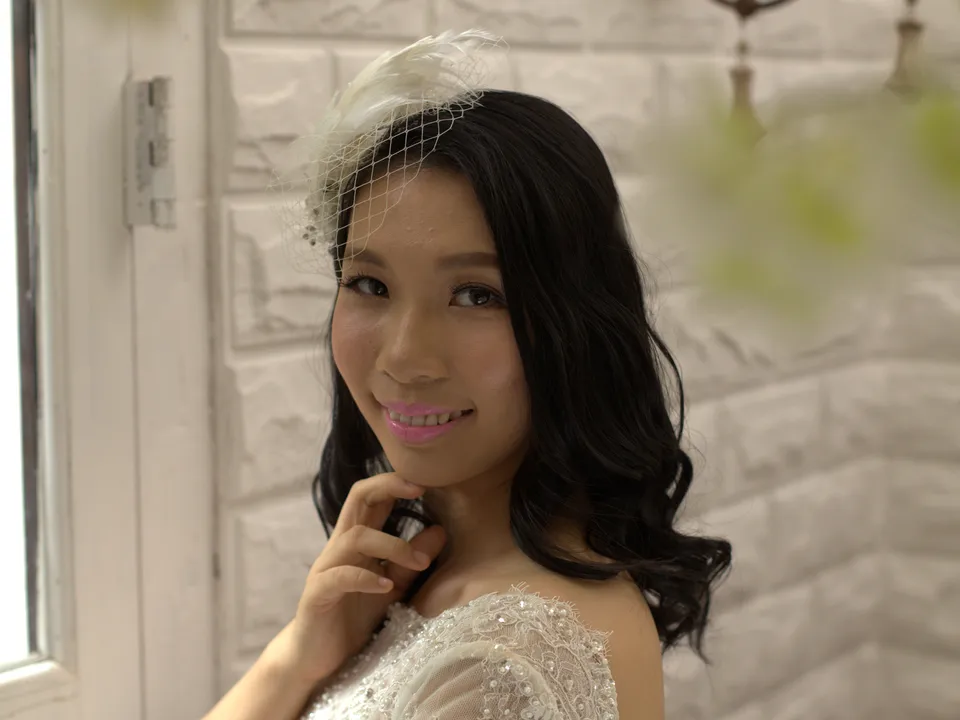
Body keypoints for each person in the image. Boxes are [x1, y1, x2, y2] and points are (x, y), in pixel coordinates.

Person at [203, 30, 731, 720]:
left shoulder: (506, 664)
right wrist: (301, 653)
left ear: (575, 323)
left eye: (477, 295)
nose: (404, 357)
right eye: (370, 284)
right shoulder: (442, 578)